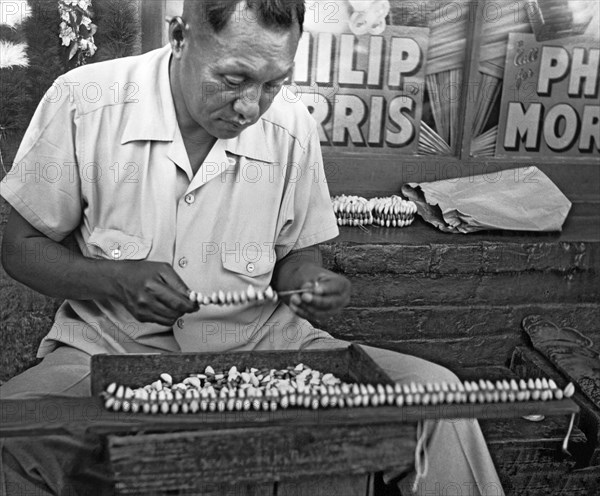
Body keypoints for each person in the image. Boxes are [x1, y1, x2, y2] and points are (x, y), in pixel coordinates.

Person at [0, 1, 504, 494]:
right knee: (12, 436)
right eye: (234, 79)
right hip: (104, 349)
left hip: (264, 348)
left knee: (439, 403)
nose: (250, 108)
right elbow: (20, 247)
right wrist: (116, 279)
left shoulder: (291, 125)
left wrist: (308, 282)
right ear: (179, 37)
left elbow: (296, 257)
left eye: (273, 83)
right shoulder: (85, 101)